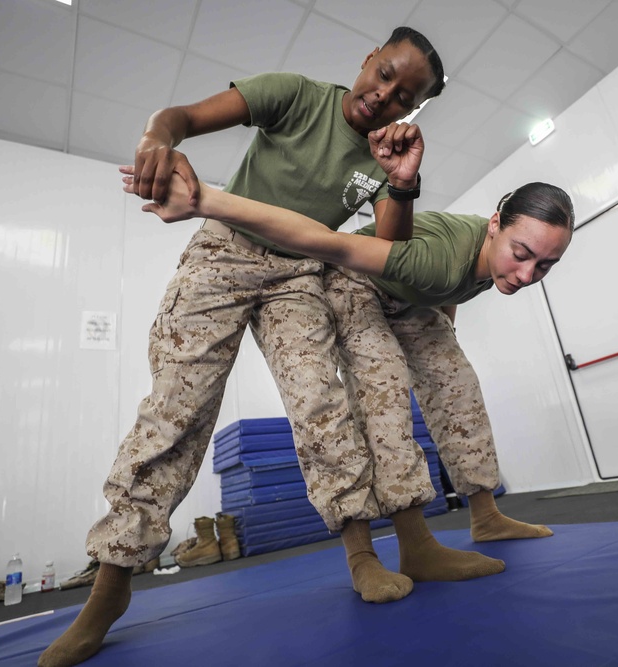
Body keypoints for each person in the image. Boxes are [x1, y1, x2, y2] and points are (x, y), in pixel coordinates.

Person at [40, 27, 483, 667]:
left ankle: (362, 555)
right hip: (225, 252)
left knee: (321, 406)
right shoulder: (296, 97)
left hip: (299, 275)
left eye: (403, 97)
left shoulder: (385, 156)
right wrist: (156, 140)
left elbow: (390, 254)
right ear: (366, 59)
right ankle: (110, 587)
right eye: (384, 74)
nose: (383, 96)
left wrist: (403, 184)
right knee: (176, 411)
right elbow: (182, 117)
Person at [122, 169, 575, 595]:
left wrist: (444, 339)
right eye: (521, 255)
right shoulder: (436, 256)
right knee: (385, 393)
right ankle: (409, 546)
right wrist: (207, 201)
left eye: (545, 266)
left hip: (407, 293)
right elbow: (333, 247)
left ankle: (486, 515)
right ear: (495, 225)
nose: (527, 274)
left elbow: (447, 289)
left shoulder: (489, 258)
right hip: (353, 280)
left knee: (458, 388)